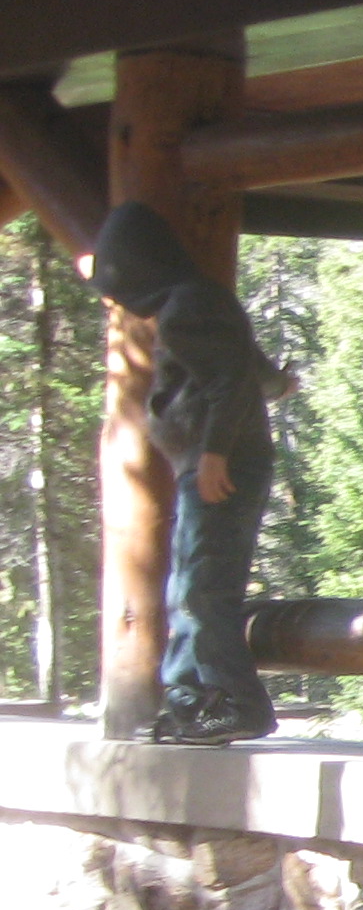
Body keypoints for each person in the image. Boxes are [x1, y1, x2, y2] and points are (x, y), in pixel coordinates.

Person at [92, 202, 294, 746]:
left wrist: (213, 454)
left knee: (205, 587)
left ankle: (237, 703)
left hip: (219, 465)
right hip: (210, 462)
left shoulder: (189, 306)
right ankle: (191, 703)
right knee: (192, 584)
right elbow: (247, 370)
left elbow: (227, 381)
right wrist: (276, 385)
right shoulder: (198, 301)